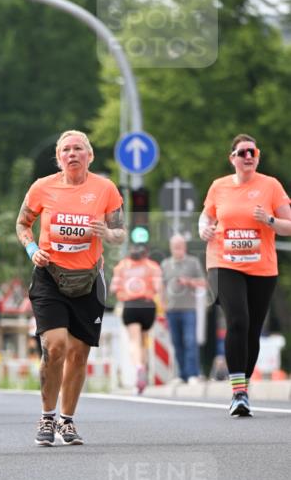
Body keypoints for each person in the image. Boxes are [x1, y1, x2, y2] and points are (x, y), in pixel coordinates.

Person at [16, 129, 125, 446]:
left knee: (79, 354)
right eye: (66, 150)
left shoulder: (104, 189)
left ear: (90, 156)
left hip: (89, 279)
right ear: (58, 157)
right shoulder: (42, 187)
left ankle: (67, 420)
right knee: (56, 345)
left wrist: (106, 231)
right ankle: (47, 417)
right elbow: (23, 224)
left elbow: (119, 233)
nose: (72, 154)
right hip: (50, 276)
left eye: (79, 149)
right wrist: (31, 249)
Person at [199, 133, 291, 416]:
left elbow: (289, 225)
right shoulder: (219, 187)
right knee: (237, 319)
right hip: (224, 262)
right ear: (233, 159)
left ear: (258, 156)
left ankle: (243, 386)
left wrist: (271, 221)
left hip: (262, 266)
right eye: (242, 153)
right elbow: (207, 216)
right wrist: (202, 227)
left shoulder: (271, 186)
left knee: (252, 329)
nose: (248, 156)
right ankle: (238, 392)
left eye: (252, 152)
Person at [111, 243, 163, 393]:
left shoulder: (122, 266)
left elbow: (114, 288)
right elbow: (158, 288)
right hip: (148, 305)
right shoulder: (152, 266)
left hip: (131, 305)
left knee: (134, 340)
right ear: (145, 254)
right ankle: (143, 373)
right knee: (144, 339)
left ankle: (139, 367)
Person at [160, 234, 205, 383]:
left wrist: (189, 282)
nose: (177, 250)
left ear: (184, 247)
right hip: (171, 310)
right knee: (176, 342)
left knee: (190, 341)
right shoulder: (165, 264)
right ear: (170, 248)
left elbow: (204, 283)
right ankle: (182, 374)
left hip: (188, 309)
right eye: (174, 247)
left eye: (179, 247)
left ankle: (193, 373)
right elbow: (162, 287)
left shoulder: (193, 262)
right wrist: (163, 305)